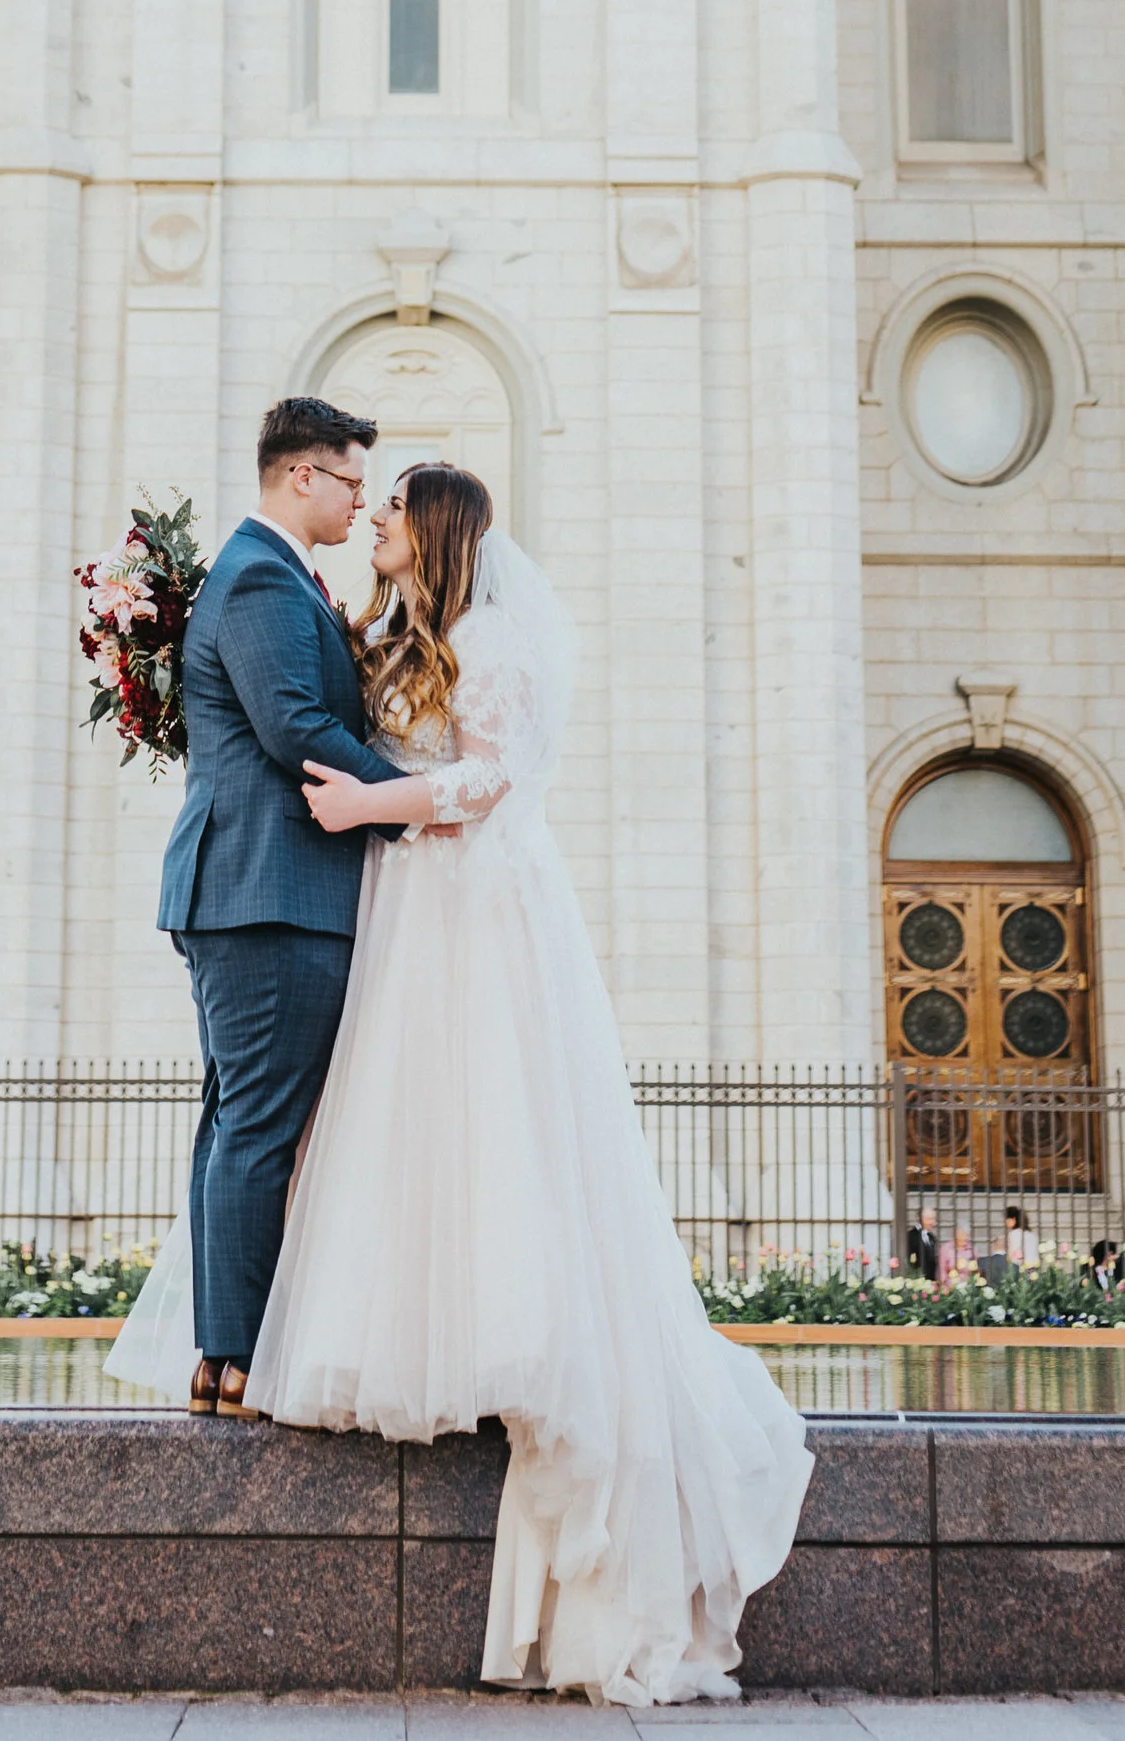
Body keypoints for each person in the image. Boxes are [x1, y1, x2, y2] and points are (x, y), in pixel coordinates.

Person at [115, 461, 812, 1703]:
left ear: (430, 531)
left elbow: (491, 777)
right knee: (390, 1129)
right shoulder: (388, 632)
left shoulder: (490, 639)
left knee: (481, 1122)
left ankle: (499, 1344)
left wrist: (373, 798)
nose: (374, 519)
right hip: (397, 904)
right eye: (363, 499)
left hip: (470, 909)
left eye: (390, 510)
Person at [150, 395, 410, 1422]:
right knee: (256, 1128)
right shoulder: (260, 575)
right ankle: (239, 1357)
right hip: (271, 894)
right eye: (350, 482)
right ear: (302, 476)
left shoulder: (274, 574)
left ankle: (224, 1358)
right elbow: (291, 725)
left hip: (254, 892)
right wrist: (413, 801)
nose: (358, 503)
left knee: (235, 1125)